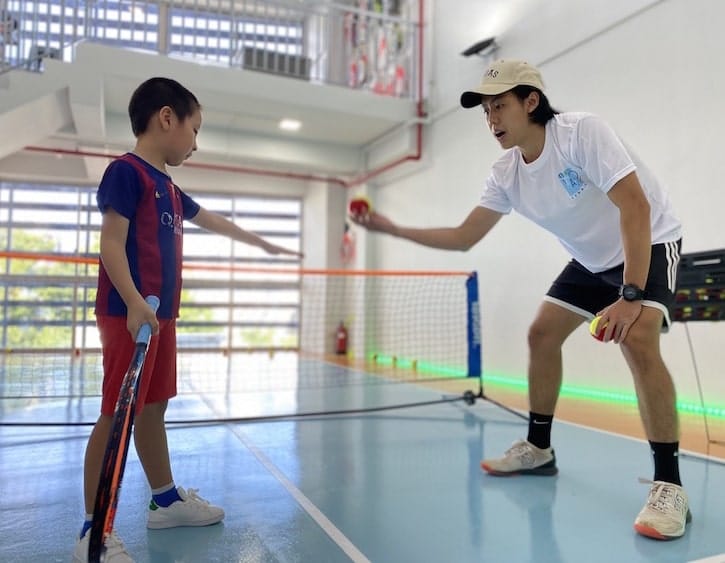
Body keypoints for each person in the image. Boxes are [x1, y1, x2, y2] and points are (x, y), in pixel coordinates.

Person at [350, 59, 688, 541]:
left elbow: (635, 205)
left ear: (532, 102)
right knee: (541, 334)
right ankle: (539, 449)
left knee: (636, 342)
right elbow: (465, 235)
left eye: (500, 107)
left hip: (648, 242)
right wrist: (392, 228)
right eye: (486, 111)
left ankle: (669, 485)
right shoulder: (506, 172)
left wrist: (631, 295)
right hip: (590, 261)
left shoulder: (581, 133)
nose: (492, 120)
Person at [74, 77, 303, 562]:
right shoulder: (126, 172)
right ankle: (94, 530)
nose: (196, 143)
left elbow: (213, 219)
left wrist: (262, 243)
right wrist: (135, 301)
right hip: (127, 314)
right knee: (116, 414)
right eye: (194, 130)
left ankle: (164, 500)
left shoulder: (170, 188)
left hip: (162, 319)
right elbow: (111, 243)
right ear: (166, 118)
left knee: (154, 406)